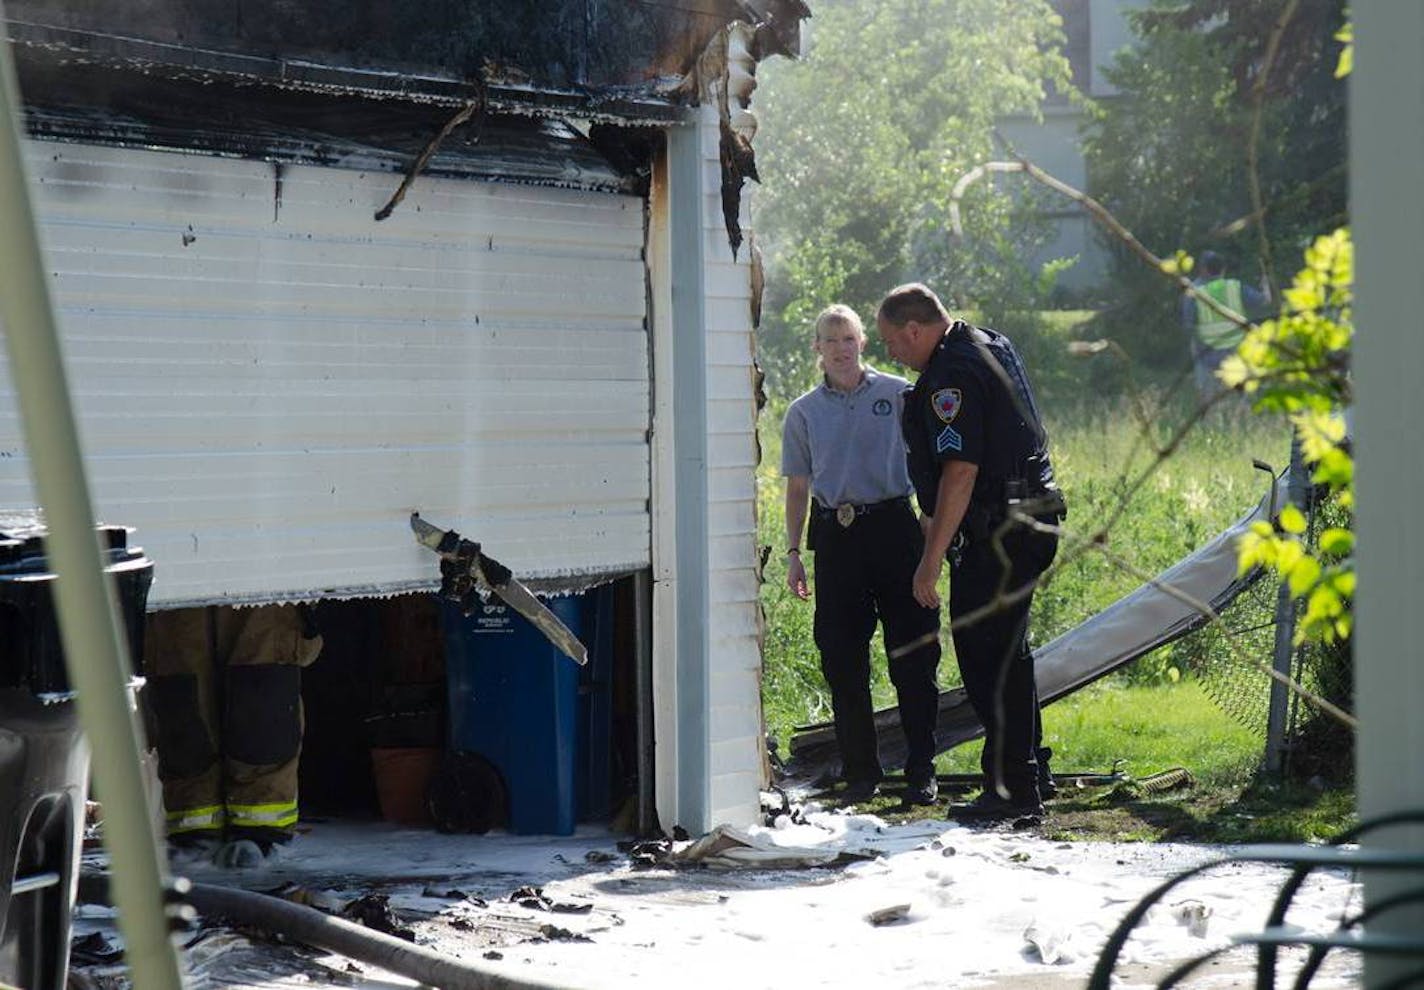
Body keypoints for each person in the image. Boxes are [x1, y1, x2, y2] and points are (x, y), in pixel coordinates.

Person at [875, 283, 1065, 821]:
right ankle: (1029, 773)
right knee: (1008, 654)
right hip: (1030, 520)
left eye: (892, 341)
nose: (891, 353)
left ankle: (1012, 790)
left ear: (915, 329)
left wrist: (929, 562)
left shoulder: (950, 376)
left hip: (1002, 532)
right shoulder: (988, 342)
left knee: (986, 658)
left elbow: (961, 472)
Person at [781, 304, 943, 806]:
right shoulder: (803, 412)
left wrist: (931, 537)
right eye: (831, 340)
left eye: (849, 339)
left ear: (862, 344)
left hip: (894, 528)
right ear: (817, 349)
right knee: (842, 657)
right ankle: (861, 771)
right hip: (836, 537)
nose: (841, 348)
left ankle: (921, 769)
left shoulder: (899, 395)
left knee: (914, 653)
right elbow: (798, 488)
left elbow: (931, 465)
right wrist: (792, 552)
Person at [144, 603, 322, 867]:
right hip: (176, 574)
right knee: (181, 695)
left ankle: (260, 830)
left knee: (262, 687)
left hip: (261, 573)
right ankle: (195, 825)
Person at [1180, 250, 1272, 400]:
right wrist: (1265, 283)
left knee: (1207, 396)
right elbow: (1265, 300)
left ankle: (1209, 419)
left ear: (1203, 269)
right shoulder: (1236, 287)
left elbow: (1188, 325)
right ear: (1223, 269)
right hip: (1235, 348)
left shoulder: (1194, 292)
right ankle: (1241, 416)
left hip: (1207, 351)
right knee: (1240, 392)